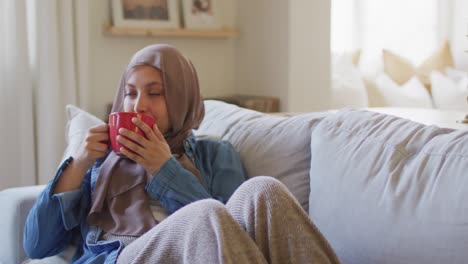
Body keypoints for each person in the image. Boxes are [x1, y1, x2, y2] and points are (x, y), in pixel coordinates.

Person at [23, 44, 340, 264]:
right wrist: (78, 163)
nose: (139, 105)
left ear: (182, 98)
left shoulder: (215, 154)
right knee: (205, 213)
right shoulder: (99, 161)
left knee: (265, 190)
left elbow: (240, 239)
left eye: (155, 93)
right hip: (124, 256)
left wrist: (164, 168)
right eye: (130, 93)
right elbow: (36, 245)